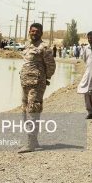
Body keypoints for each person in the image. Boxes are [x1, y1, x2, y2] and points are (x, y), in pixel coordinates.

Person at [18, 23, 56, 153]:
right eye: (32, 31)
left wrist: (45, 79)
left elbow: (51, 66)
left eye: (37, 31)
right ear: (29, 31)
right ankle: (34, 141)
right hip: (25, 83)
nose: (34, 33)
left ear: (41, 33)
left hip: (36, 84)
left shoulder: (44, 47)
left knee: (33, 111)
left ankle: (30, 144)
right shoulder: (28, 45)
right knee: (24, 112)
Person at [77, 32, 92, 119]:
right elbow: (84, 60)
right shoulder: (86, 48)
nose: (90, 40)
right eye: (88, 38)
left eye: (91, 38)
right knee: (86, 92)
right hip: (88, 73)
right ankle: (90, 112)